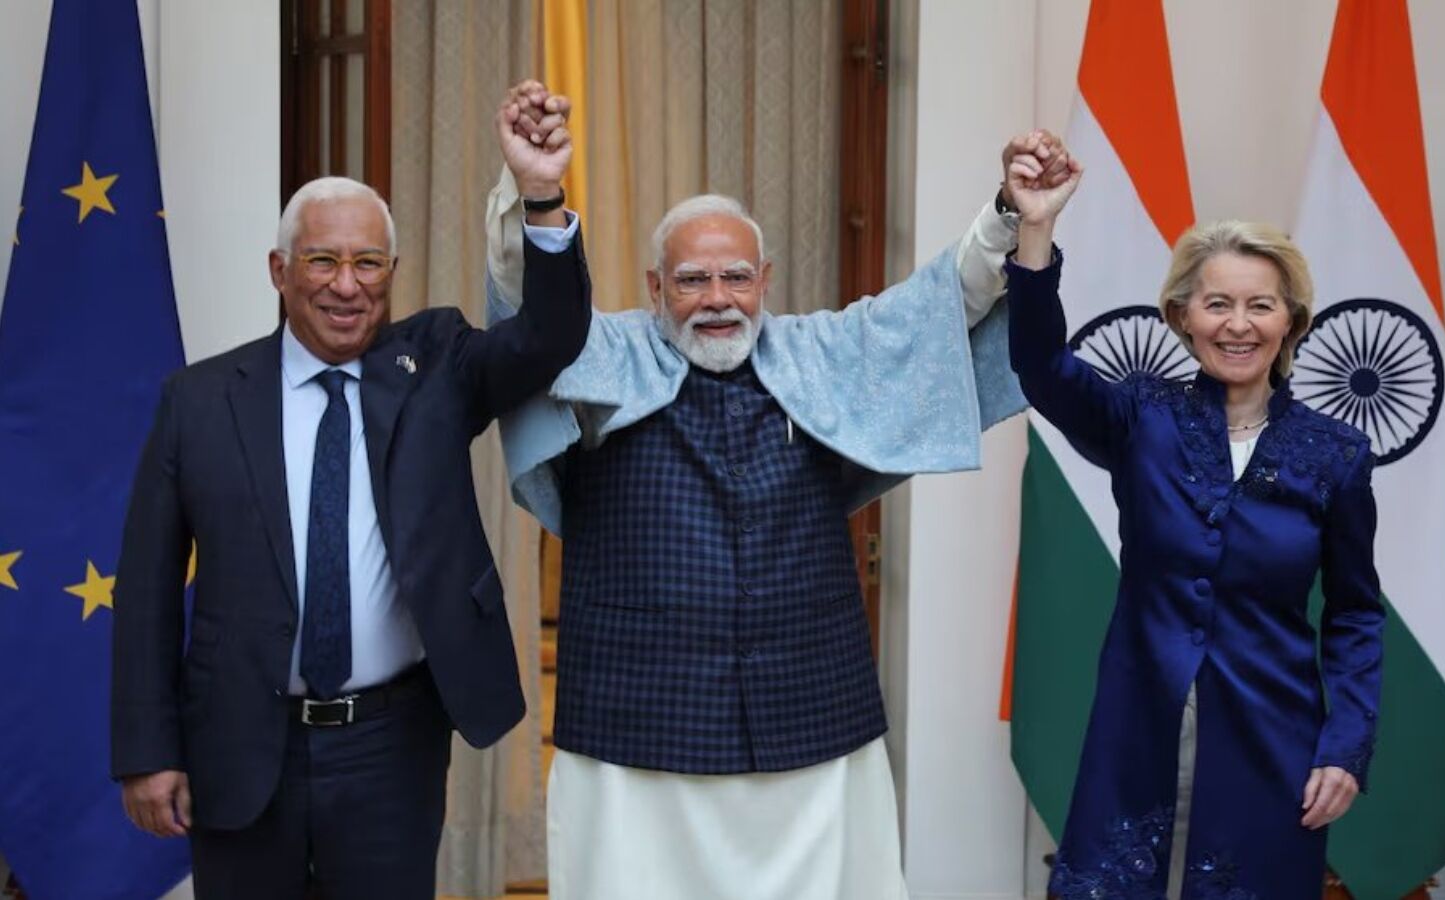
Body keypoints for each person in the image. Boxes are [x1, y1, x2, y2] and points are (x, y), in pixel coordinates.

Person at [486, 82, 1072, 900]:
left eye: (736, 277)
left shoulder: (821, 351)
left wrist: (1011, 213)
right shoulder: (600, 350)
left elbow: (943, 305)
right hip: (636, 720)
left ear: (764, 280)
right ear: (654, 288)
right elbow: (530, 305)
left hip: (810, 713)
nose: (717, 300)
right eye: (692, 280)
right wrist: (538, 193)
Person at [108, 90, 591, 899]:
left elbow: (551, 337)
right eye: (322, 262)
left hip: (389, 745)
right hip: (239, 740)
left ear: (391, 275)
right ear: (279, 271)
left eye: (368, 263)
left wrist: (540, 195)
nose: (346, 285)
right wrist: (147, 751)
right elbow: (148, 588)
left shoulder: (436, 365)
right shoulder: (199, 401)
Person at [1003, 148, 1383, 899]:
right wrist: (1035, 229)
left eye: (1260, 305)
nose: (1238, 325)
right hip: (1138, 722)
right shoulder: (1141, 419)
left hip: (1272, 737)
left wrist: (1346, 744)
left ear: (1292, 322)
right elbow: (1041, 366)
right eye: (1217, 304)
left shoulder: (1337, 453)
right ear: (1182, 316)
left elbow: (1355, 614)